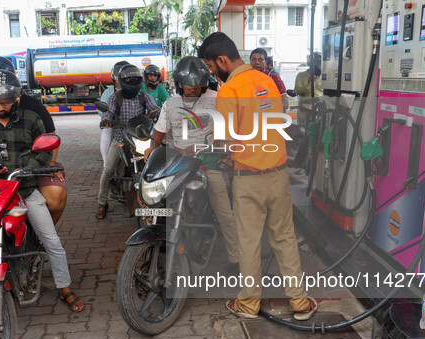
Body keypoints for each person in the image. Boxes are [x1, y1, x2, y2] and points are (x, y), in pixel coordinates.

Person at [199, 32, 317, 320]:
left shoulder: (229, 91)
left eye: (212, 67)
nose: (212, 73)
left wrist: (220, 152)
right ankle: (299, 303)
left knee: (249, 242)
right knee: (285, 238)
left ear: (222, 60)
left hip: (248, 180)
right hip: (278, 176)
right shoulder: (267, 81)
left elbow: (227, 140)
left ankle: (249, 304)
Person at [0, 70, 84, 312]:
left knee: (51, 240)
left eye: (5, 103)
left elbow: (44, 152)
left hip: (26, 189)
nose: (0, 108)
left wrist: (25, 169)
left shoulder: (31, 119)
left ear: (16, 99)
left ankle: (65, 287)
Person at [144, 56, 239, 266]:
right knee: (157, 205)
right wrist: (151, 151)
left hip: (207, 161)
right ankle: (155, 248)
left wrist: (226, 153)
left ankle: (236, 259)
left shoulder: (216, 98)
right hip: (177, 162)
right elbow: (158, 134)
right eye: (189, 85)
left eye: (198, 85)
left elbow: (227, 130)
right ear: (179, 84)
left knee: (224, 212)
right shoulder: (170, 104)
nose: (194, 89)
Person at [0, 56, 67, 225]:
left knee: (55, 198)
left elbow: (50, 137)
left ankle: (40, 236)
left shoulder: (33, 108)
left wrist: (49, 163)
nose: (0, 106)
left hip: (31, 168)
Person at [96, 64, 159, 219]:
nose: (132, 81)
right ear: (122, 81)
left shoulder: (145, 96)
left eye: (135, 78)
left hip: (140, 137)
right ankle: (101, 203)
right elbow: (107, 114)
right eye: (128, 78)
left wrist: (157, 113)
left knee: (157, 164)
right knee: (108, 169)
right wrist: (107, 121)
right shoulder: (114, 98)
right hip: (120, 139)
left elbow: (155, 109)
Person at [99, 60, 130, 165]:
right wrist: (108, 119)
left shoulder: (135, 91)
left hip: (131, 124)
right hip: (114, 124)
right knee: (106, 132)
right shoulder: (108, 93)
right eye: (118, 77)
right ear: (114, 78)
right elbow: (102, 111)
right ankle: (106, 163)